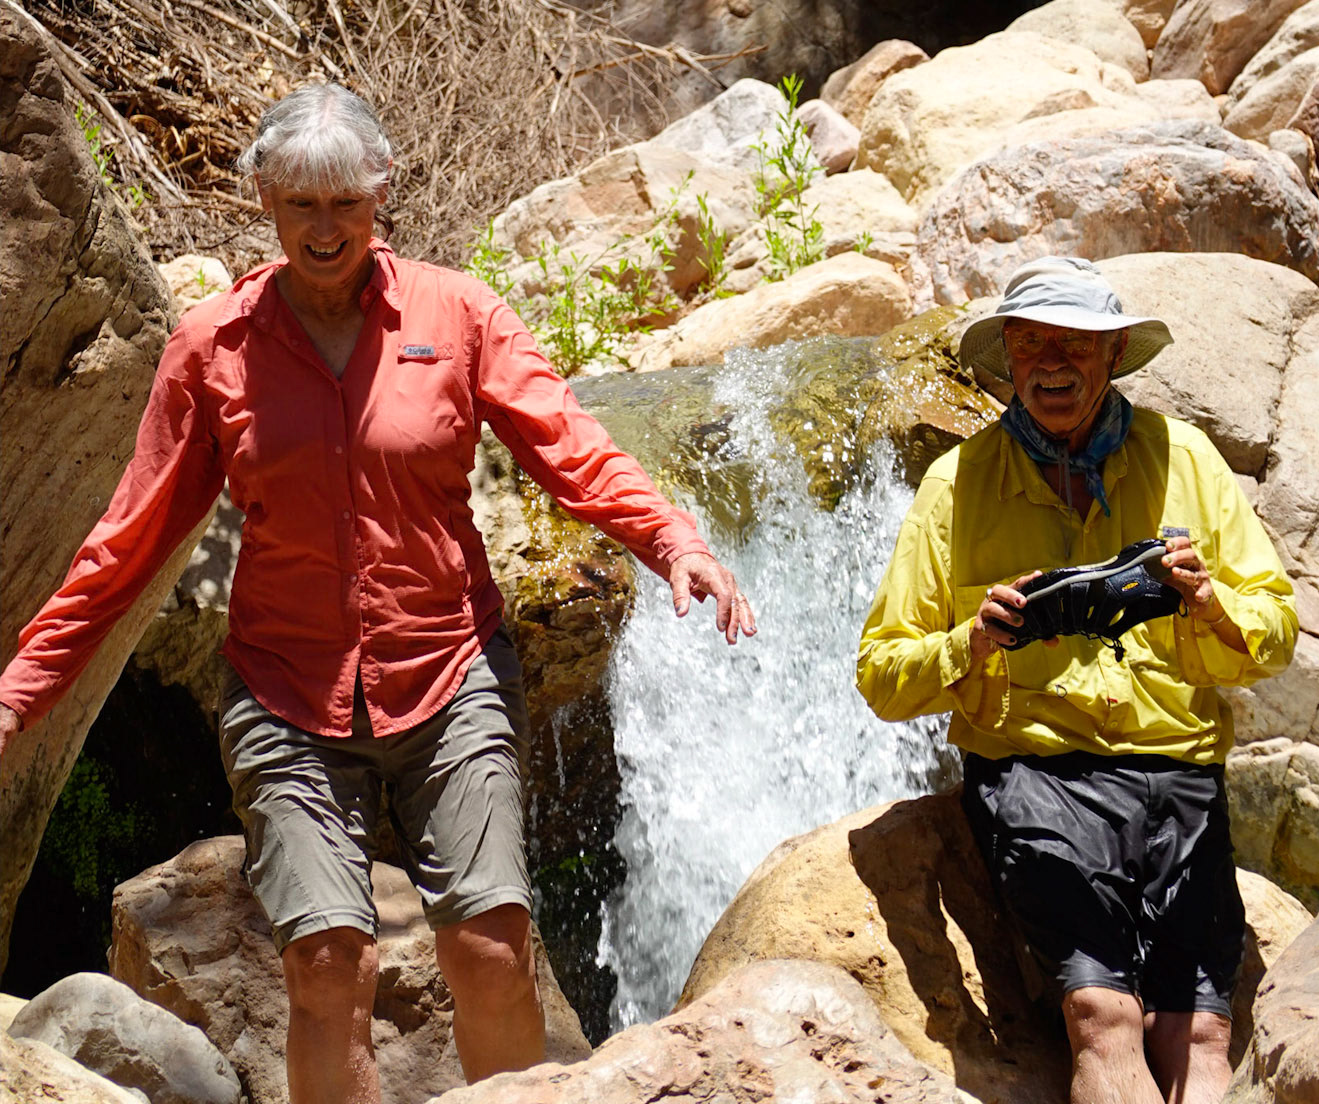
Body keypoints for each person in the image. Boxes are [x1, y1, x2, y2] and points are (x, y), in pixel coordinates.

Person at [0, 85, 754, 1104]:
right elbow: (126, 544)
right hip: (286, 693)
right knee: (325, 962)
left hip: (452, 671)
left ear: (380, 193)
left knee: (493, 940)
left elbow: (568, 444)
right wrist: (20, 690)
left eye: (343, 203)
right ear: (266, 199)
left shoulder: (460, 313)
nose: (323, 228)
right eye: (300, 203)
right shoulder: (213, 346)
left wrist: (672, 539)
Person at [857, 256, 1297, 1104]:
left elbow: (1273, 633)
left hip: (1179, 773)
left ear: (1113, 353)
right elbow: (881, 673)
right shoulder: (957, 484)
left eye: (1073, 344)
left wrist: (1206, 604)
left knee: (1200, 1026)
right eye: (1029, 346)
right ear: (1006, 360)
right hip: (1035, 773)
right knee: (1101, 1013)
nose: (1050, 363)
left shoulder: (1187, 458)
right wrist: (970, 643)